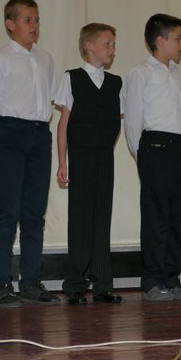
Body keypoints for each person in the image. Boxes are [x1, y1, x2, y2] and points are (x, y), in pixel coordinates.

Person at [0, 0, 61, 307]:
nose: (34, 25)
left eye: (36, 20)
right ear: (10, 24)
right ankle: (1, 283)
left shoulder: (45, 58)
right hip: (9, 133)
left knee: (34, 213)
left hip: (39, 134)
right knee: (6, 212)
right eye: (27, 20)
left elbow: (50, 99)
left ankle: (31, 282)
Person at [123, 13, 181, 301]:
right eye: (178, 38)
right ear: (160, 41)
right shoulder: (141, 73)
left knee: (178, 214)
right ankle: (153, 279)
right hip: (155, 146)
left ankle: (171, 276)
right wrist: (142, 153)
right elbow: (133, 118)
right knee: (156, 215)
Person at [56, 23, 123, 305]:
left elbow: (115, 120)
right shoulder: (72, 78)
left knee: (101, 216)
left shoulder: (115, 82)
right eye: (106, 43)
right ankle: (75, 283)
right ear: (89, 46)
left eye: (113, 44)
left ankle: (102, 283)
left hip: (104, 155)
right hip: (81, 154)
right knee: (80, 217)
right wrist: (62, 161)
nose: (112, 49)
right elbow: (63, 124)